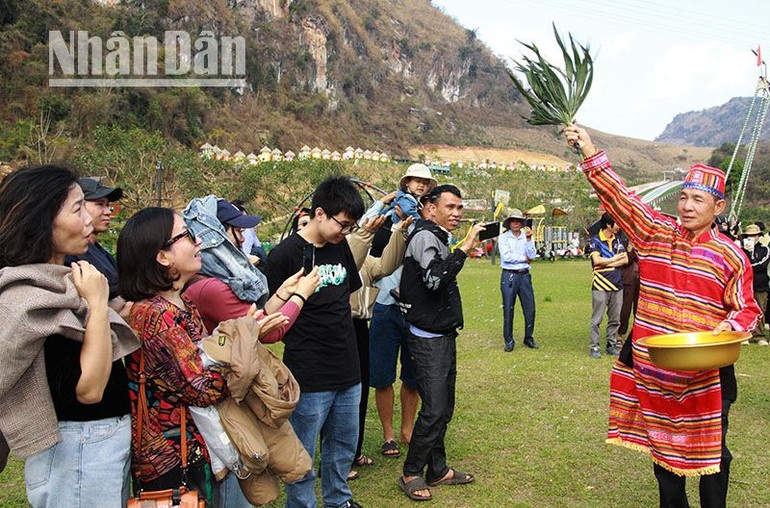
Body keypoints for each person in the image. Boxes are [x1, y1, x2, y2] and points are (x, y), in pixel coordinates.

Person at [565, 125, 761, 508]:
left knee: (714, 456)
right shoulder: (654, 233)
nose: (686, 206)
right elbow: (619, 198)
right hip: (656, 370)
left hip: (708, 374)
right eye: (683, 197)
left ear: (718, 208)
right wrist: (588, 149)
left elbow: (747, 308)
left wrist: (731, 326)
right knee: (664, 455)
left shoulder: (731, 255)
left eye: (698, 200)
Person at [0, 165, 139, 507]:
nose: (89, 220)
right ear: (42, 220)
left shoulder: (61, 282)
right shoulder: (29, 296)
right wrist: (95, 302)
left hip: (95, 445)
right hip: (76, 449)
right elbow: (89, 389)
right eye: (78, 209)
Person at [118, 207, 235, 506]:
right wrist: (239, 355)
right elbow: (201, 388)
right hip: (172, 459)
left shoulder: (182, 304)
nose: (198, 243)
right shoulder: (153, 316)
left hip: (196, 445)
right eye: (187, 235)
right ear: (162, 256)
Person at [264, 176, 365, 508]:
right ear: (319, 213)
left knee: (342, 447)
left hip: (347, 369)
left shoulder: (340, 248)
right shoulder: (284, 255)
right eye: (343, 224)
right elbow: (268, 313)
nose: (345, 232)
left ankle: (339, 501)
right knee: (302, 453)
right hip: (308, 373)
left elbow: (345, 297)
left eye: (350, 226)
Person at [397, 185, 485, 502]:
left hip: (442, 336)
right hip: (427, 341)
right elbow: (435, 280)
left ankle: (438, 469)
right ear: (430, 208)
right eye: (450, 207)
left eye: (460, 208)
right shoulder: (423, 236)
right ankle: (411, 471)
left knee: (443, 407)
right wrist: (466, 247)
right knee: (434, 410)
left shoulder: (436, 236)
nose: (457, 213)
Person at [346, 209, 411, 480]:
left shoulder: (366, 263)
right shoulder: (334, 255)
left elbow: (385, 266)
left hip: (360, 326)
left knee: (357, 393)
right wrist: (365, 231)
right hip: (338, 330)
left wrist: (399, 233)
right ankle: (343, 459)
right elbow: (350, 259)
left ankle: (354, 450)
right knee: (340, 396)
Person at [65, 178, 130, 316]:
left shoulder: (100, 252)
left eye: (108, 205)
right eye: (100, 204)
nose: (107, 211)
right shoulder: (71, 256)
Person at [587, 213, 628, 358]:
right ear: (609, 225)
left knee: (615, 318)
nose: (619, 227)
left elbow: (625, 260)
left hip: (617, 285)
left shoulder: (618, 240)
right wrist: (615, 259)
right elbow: (596, 261)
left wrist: (610, 261)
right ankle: (594, 347)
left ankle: (611, 345)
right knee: (597, 318)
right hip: (600, 285)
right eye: (617, 224)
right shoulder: (595, 240)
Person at [498, 208, 538, 351]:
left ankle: (528, 337)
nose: (515, 223)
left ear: (521, 223)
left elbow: (532, 255)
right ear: (509, 223)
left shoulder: (527, 236)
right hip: (509, 275)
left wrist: (528, 240)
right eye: (512, 221)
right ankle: (508, 340)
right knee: (508, 308)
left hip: (525, 275)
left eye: (518, 221)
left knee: (530, 308)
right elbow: (506, 257)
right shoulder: (503, 237)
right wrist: (524, 259)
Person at [740, 224, 769, 346]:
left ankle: (759, 336)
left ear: (759, 236)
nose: (753, 238)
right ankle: (745, 335)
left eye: (755, 235)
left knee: (760, 310)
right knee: (744, 308)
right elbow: (740, 263)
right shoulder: (741, 250)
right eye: (750, 236)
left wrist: (750, 265)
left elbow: (762, 264)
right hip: (744, 284)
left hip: (760, 285)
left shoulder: (765, 249)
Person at [617, 241, 640, 344]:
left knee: (639, 310)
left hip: (642, 280)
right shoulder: (623, 244)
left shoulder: (643, 243)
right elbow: (626, 261)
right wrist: (631, 250)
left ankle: (637, 334)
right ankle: (619, 334)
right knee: (625, 308)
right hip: (628, 280)